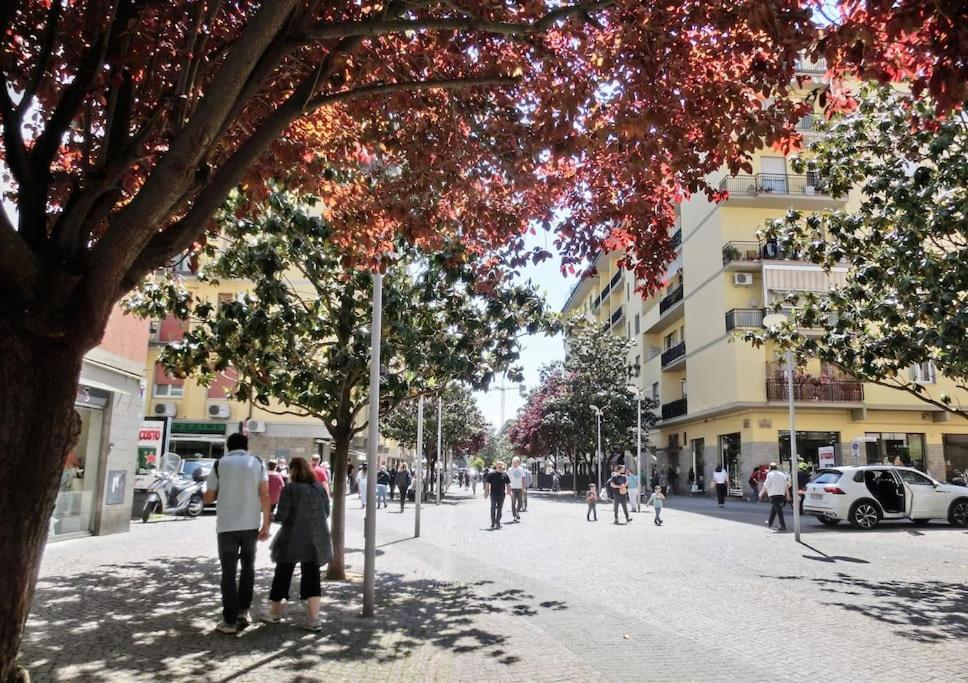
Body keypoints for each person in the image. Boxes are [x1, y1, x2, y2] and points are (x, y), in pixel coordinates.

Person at [203, 433, 270, 634]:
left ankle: (229, 621)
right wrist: (266, 524)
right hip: (250, 524)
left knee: (228, 572)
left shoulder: (219, 464)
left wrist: (211, 494)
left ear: (228, 446)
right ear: (246, 446)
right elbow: (265, 494)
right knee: (248, 568)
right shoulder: (257, 462)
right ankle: (244, 611)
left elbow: (208, 497)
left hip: (226, 526)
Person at [262, 457, 333, 631]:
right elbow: (327, 511)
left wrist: (271, 517)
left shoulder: (291, 488)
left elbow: (283, 515)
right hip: (315, 538)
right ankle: (314, 619)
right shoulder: (318, 487)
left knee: (283, 573)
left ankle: (275, 613)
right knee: (312, 575)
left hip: (292, 537)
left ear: (292, 470)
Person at [760, 462, 789, 531]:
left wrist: (761, 493)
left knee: (778, 510)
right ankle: (770, 523)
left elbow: (766, 485)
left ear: (770, 468)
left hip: (773, 494)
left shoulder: (770, 474)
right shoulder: (782, 474)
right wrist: (788, 495)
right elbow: (786, 486)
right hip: (781, 494)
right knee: (774, 509)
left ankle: (783, 525)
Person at [484, 460, 511, 529]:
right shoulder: (491, 474)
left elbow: (508, 483)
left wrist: (509, 491)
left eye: (502, 467)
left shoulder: (505, 475)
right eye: (499, 467)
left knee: (500, 508)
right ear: (496, 467)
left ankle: (498, 521)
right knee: (493, 507)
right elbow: (487, 484)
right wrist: (486, 492)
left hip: (502, 494)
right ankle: (493, 522)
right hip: (493, 494)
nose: (500, 468)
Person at [507, 457, 526, 522]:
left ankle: (517, 511)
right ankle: (514, 516)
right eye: (514, 462)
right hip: (512, 488)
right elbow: (507, 480)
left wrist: (523, 488)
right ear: (512, 462)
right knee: (513, 503)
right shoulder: (510, 470)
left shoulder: (521, 469)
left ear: (519, 463)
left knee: (520, 502)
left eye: (517, 462)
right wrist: (508, 489)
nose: (515, 463)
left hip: (520, 488)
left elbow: (523, 479)